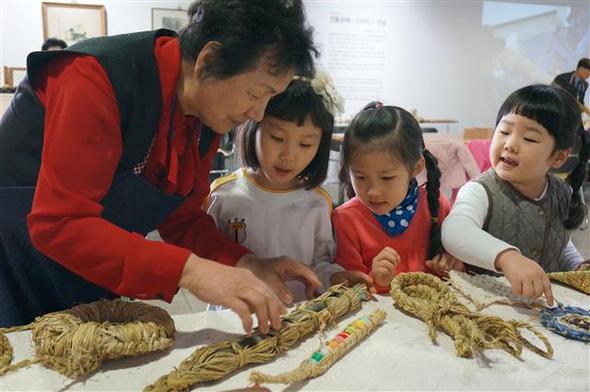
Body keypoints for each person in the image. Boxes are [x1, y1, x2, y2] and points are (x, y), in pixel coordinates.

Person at [0, 0, 322, 333]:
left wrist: (248, 263)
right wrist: (192, 271)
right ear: (208, 61)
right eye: (256, 93)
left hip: (83, 268)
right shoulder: (94, 77)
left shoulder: (204, 111)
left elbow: (180, 217)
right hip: (13, 265)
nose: (257, 114)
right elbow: (60, 223)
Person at [207, 71, 371, 302]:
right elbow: (207, 262)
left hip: (298, 321)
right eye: (277, 138)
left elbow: (320, 265)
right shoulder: (224, 196)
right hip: (236, 319)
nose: (289, 156)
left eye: (305, 144)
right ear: (252, 127)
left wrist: (336, 278)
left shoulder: (317, 202)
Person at [442, 84, 590, 306]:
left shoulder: (562, 193)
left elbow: (558, 240)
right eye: (504, 131)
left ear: (558, 157)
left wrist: (577, 267)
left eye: (529, 138)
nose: (510, 144)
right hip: (483, 307)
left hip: (539, 311)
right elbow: (456, 231)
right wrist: (506, 257)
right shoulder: (481, 190)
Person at [332, 102, 465, 294]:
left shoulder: (435, 205)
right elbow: (350, 289)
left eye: (387, 178)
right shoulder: (345, 220)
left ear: (416, 167)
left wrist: (452, 267)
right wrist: (378, 280)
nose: (373, 192)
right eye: (360, 177)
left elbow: (456, 270)